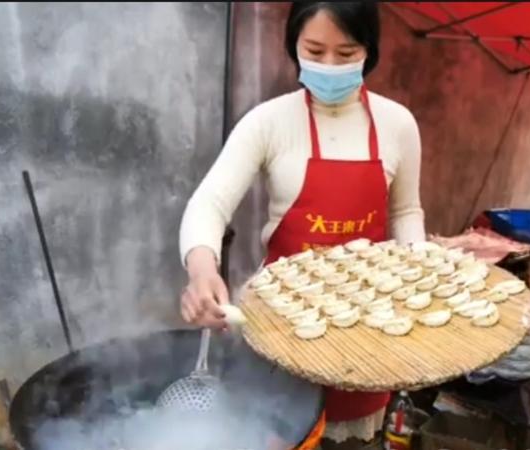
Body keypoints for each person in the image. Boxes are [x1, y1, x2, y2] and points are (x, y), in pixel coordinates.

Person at [178, 2, 426, 448]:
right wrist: (201, 270)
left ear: (370, 51)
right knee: (283, 432)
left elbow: (406, 212)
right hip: (283, 329)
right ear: (294, 44)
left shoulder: (397, 124)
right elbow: (210, 203)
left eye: (346, 53)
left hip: (367, 333)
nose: (329, 65)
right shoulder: (269, 122)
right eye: (314, 49)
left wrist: (418, 273)